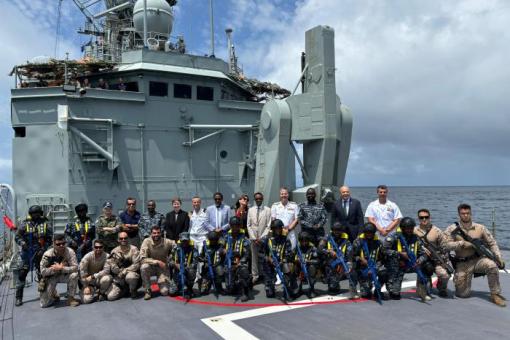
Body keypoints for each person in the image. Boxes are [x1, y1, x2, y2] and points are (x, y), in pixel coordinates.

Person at [444, 203, 506, 307]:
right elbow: (445, 245)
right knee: (462, 294)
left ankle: (495, 294)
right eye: (463, 213)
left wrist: (498, 257)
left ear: (471, 213)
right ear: (459, 214)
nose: (465, 215)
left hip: (478, 261)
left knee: (491, 265)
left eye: (468, 213)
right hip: (462, 263)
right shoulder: (451, 229)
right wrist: (461, 244)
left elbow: (492, 243)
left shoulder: (480, 228)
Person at [15, 205, 53, 306]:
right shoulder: (24, 224)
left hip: (40, 252)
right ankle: (18, 297)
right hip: (27, 253)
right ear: (30, 214)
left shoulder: (45, 224)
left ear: (40, 213)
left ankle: (45, 295)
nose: (35, 215)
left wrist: (43, 248)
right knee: (22, 273)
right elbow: (17, 236)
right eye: (33, 213)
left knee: (43, 274)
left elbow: (50, 238)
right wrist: (23, 244)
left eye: (37, 213)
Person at [384, 217, 430, 301]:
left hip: (413, 264)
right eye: (407, 228)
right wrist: (399, 254)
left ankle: (423, 291)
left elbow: (424, 253)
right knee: (395, 295)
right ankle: (392, 288)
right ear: (402, 228)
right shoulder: (393, 237)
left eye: (411, 228)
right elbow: (384, 250)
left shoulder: (416, 238)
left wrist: (419, 261)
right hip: (398, 264)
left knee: (427, 267)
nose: (409, 230)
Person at [414, 209, 452, 298]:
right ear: (418, 218)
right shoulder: (413, 230)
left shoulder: (437, 231)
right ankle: (422, 285)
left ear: (429, 217)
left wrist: (444, 259)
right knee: (425, 291)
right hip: (421, 260)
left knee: (445, 275)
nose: (424, 219)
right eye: (421, 217)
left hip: (435, 259)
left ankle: (442, 288)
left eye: (426, 217)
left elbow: (444, 247)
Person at [38, 234, 80, 307]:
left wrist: (61, 268)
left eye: (63, 243)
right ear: (53, 244)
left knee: (74, 275)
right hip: (51, 277)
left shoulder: (70, 252)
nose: (61, 246)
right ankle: (54, 294)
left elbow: (76, 267)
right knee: (44, 304)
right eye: (58, 244)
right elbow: (43, 271)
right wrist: (54, 269)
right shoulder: (47, 254)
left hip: (64, 274)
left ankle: (71, 298)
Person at [319, 223, 358, 298]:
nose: (337, 232)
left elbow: (350, 252)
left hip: (342, 262)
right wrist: (328, 251)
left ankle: (353, 290)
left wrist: (349, 263)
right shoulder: (327, 237)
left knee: (352, 271)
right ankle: (333, 283)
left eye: (339, 230)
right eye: (335, 230)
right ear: (332, 230)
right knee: (333, 289)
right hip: (331, 263)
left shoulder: (346, 240)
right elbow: (319, 248)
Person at [352, 222, 388, 300]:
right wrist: (360, 259)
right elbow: (352, 256)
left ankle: (377, 290)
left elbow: (382, 259)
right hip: (362, 268)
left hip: (374, 266)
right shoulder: (358, 241)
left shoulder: (379, 242)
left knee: (385, 272)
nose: (369, 234)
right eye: (367, 233)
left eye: (371, 233)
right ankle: (358, 288)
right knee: (366, 295)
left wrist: (374, 268)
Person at [140, 225, 175, 300]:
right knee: (144, 267)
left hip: (163, 268)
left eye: (158, 233)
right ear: (151, 234)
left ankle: (161, 282)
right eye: (154, 233)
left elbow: (177, 245)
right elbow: (142, 258)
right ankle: (147, 290)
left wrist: (172, 255)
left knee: (165, 292)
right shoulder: (146, 241)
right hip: (151, 266)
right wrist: (157, 261)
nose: (156, 235)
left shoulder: (167, 241)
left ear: (161, 233)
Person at [263, 219, 295, 299]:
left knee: (288, 267)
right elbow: (262, 253)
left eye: (279, 228)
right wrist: (269, 259)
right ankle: (270, 286)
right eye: (276, 228)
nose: (278, 230)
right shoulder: (267, 239)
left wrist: (283, 261)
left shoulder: (286, 240)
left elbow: (289, 254)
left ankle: (288, 288)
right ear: (272, 229)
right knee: (270, 294)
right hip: (271, 263)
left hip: (282, 262)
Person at [224, 217, 252, 302]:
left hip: (240, 262)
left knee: (244, 271)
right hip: (229, 262)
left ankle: (245, 292)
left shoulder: (244, 238)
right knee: (230, 288)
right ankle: (233, 287)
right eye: (233, 226)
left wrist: (241, 262)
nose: (235, 228)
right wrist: (223, 251)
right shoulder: (226, 236)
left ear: (239, 226)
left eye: (236, 226)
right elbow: (220, 248)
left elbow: (247, 253)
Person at [106, 231, 141, 300]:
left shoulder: (134, 249)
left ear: (128, 239)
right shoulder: (114, 251)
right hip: (119, 276)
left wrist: (125, 271)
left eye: (125, 238)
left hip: (131, 273)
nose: (123, 240)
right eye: (121, 238)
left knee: (130, 277)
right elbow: (112, 266)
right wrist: (117, 270)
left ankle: (133, 290)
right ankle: (125, 291)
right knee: (110, 297)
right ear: (118, 240)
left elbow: (136, 265)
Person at [246, 192, 271, 284]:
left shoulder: (268, 210)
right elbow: (248, 225)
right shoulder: (250, 210)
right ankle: (255, 276)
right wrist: (253, 237)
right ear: (255, 200)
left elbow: (268, 226)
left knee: (264, 258)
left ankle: (265, 275)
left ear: (262, 198)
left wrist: (262, 238)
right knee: (254, 258)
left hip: (263, 239)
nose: (258, 200)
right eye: (257, 199)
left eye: (260, 198)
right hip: (253, 239)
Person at [80, 239, 112, 304]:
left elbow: (106, 271)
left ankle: (101, 293)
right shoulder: (88, 256)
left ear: (103, 247)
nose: (98, 249)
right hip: (89, 281)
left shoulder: (107, 256)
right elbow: (82, 271)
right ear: (93, 247)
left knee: (107, 278)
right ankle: (88, 290)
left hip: (99, 279)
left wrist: (93, 276)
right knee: (86, 300)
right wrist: (86, 286)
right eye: (96, 247)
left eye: (100, 247)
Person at [169, 232, 199, 298]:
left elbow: (195, 262)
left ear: (189, 240)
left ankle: (189, 288)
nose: (185, 243)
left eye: (186, 241)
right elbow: (170, 260)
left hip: (188, 270)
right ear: (180, 240)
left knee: (192, 271)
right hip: (178, 270)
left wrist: (187, 268)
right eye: (183, 241)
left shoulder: (194, 247)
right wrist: (175, 264)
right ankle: (179, 287)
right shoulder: (176, 247)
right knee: (172, 292)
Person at [294, 231, 320, 298]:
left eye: (306, 241)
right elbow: (290, 257)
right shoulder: (297, 247)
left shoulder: (313, 248)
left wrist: (308, 261)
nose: (304, 243)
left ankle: (311, 289)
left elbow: (317, 260)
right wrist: (296, 260)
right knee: (292, 267)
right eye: (302, 241)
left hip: (308, 267)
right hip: (299, 267)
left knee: (312, 268)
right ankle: (298, 288)